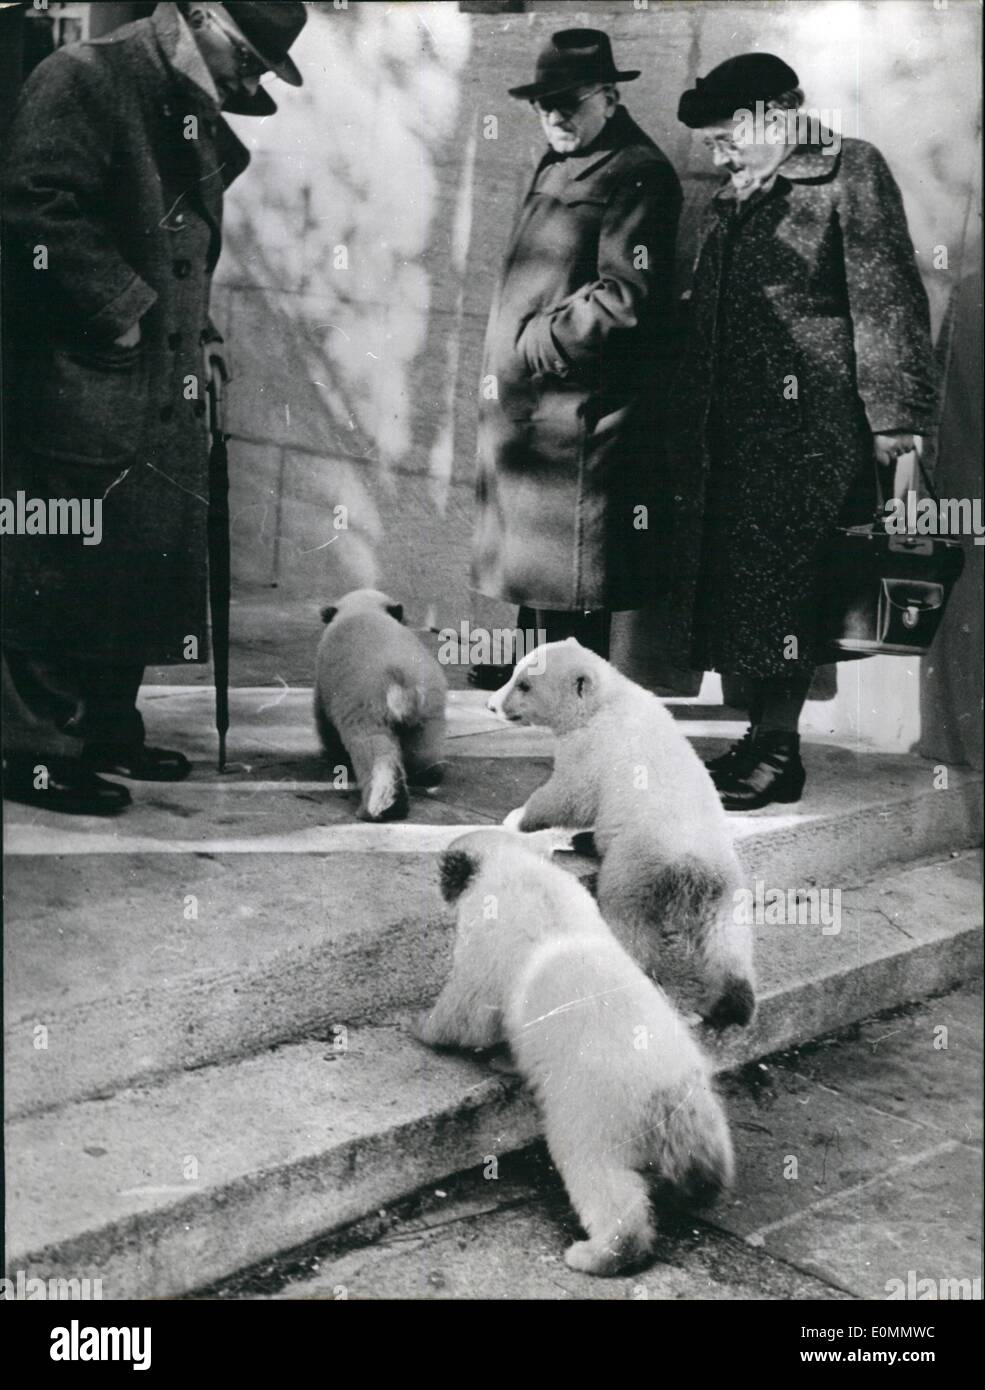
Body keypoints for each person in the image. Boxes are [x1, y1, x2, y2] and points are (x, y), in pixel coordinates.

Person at [1, 1, 307, 814]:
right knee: (57, 564)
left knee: (133, 560)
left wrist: (196, 328)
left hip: (154, 382)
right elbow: (32, 211)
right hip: (83, 377)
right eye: (248, 56)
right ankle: (36, 751)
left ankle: (105, 728)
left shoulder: (182, 100)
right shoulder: (84, 77)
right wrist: (127, 310)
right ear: (196, 14)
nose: (252, 78)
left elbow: (173, 245)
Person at [660, 53, 937, 809]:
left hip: (809, 428)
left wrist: (894, 420)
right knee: (745, 592)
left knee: (785, 592)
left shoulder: (850, 170)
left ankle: (779, 755)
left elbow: (885, 297)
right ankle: (758, 739)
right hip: (733, 429)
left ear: (769, 118)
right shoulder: (746, 185)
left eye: (725, 139)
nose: (718, 156)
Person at [468, 28, 681, 688]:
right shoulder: (557, 159)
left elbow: (623, 298)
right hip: (531, 405)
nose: (555, 116)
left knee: (573, 568)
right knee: (535, 554)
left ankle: (570, 694)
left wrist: (534, 343)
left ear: (610, 97)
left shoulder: (637, 173)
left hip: (576, 408)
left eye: (569, 102)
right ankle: (532, 669)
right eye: (542, 104)